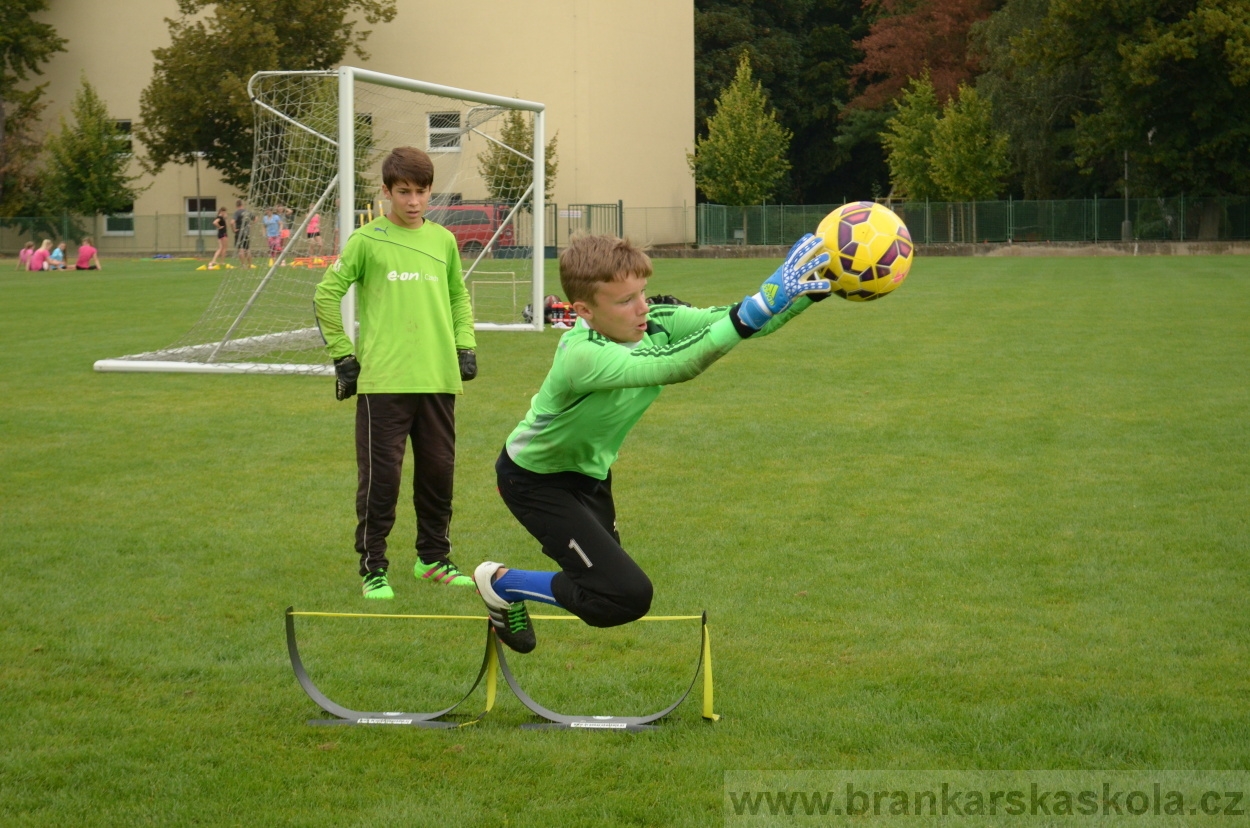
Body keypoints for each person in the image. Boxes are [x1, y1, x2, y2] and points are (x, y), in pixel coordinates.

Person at [472, 233, 831, 653]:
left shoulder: (657, 319)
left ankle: (509, 584)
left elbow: (736, 322)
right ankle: (501, 584)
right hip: (534, 481)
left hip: (590, 476)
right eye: (625, 301)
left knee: (601, 591)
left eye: (641, 292)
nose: (642, 307)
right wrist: (761, 301)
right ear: (584, 310)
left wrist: (810, 293)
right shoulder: (582, 355)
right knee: (623, 596)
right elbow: (676, 364)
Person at [313, 146, 478, 600]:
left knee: (438, 477)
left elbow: (458, 297)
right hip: (384, 384)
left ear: (430, 192)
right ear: (386, 192)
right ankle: (374, 568)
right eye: (404, 191)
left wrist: (465, 344)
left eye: (421, 191)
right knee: (381, 482)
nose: (413, 201)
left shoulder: (443, 241)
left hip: (438, 379)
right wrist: (343, 356)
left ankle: (433, 559)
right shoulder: (366, 240)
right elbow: (326, 296)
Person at [233, 200, 253, 269]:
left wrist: (234, 229)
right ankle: (250, 265)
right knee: (247, 249)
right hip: (247, 232)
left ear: (236, 205)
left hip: (239, 232)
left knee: (240, 249)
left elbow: (232, 222)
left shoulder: (237, 213)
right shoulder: (247, 212)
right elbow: (255, 218)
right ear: (242, 204)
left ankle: (243, 265)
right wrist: (250, 224)